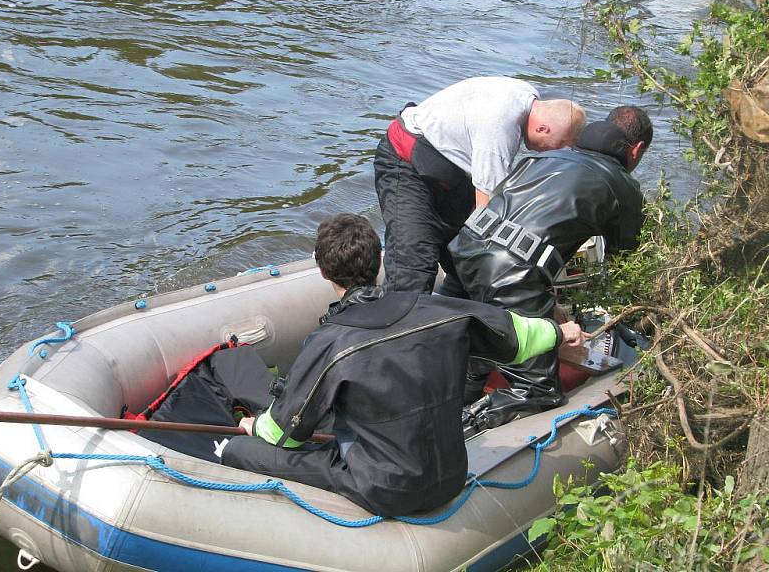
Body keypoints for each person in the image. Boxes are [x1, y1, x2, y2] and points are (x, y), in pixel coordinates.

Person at [220, 213, 587, 517]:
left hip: (385, 489)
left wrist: (253, 427)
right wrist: (560, 330)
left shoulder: (330, 343)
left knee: (239, 450)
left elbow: (286, 434)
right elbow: (518, 335)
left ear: (322, 270)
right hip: (452, 475)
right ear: (379, 258)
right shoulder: (440, 311)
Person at [449, 105, 652, 417]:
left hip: (464, 249)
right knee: (539, 393)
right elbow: (626, 262)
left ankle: (462, 389)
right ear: (636, 150)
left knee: (477, 353)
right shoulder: (623, 186)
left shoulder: (540, 157)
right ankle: (468, 428)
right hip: (511, 274)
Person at [374, 76, 587, 297]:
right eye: (559, 146)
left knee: (468, 267)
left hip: (452, 174)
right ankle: (398, 321)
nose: (550, 154)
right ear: (543, 129)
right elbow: (487, 215)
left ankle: (454, 317)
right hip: (407, 166)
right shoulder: (499, 129)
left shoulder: (528, 97)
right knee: (413, 272)